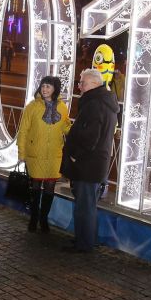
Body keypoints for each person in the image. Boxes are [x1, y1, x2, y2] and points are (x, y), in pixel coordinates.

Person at [61, 68, 118, 253]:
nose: (79, 86)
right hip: (96, 164)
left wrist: (74, 155)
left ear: (93, 84)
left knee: (84, 207)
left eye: (82, 82)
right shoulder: (104, 101)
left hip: (87, 165)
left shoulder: (95, 104)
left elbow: (90, 137)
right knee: (88, 206)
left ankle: (84, 244)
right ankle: (87, 240)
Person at [17, 75, 70, 232]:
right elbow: (23, 131)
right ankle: (33, 218)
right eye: (43, 86)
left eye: (48, 86)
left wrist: (80, 128)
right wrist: (22, 153)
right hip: (35, 153)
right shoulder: (32, 107)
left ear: (55, 89)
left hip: (54, 154)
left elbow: (66, 127)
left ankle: (44, 218)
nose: (45, 89)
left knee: (50, 187)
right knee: (35, 186)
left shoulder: (62, 108)